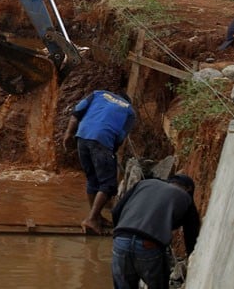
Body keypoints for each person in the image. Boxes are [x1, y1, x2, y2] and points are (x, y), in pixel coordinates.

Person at [60, 90, 136, 235]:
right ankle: (92, 219)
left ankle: (96, 217)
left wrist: (68, 135)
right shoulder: (129, 111)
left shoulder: (98, 94)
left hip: (82, 136)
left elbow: (76, 114)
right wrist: (109, 153)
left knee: (92, 178)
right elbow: (120, 137)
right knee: (108, 184)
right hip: (102, 140)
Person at [111, 175, 200, 289]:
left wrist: (121, 236)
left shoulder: (144, 184)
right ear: (189, 189)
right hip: (149, 244)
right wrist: (191, 261)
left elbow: (116, 211)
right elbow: (191, 235)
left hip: (121, 240)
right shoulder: (186, 197)